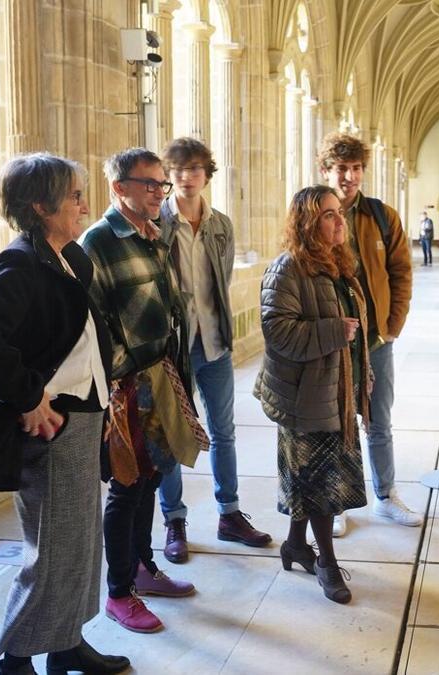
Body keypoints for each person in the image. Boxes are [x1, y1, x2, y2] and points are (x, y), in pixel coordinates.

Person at [0, 153, 129, 675]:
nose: (85, 205)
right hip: (53, 423)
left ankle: (66, 642)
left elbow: (72, 335)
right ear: (40, 205)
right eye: (74, 195)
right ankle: (16, 658)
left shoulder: (69, 254)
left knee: (78, 541)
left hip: (83, 414)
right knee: (51, 547)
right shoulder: (22, 259)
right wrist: (29, 397)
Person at [82, 148, 204, 634]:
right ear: (120, 188)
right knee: (126, 486)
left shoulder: (153, 236)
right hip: (126, 385)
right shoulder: (99, 241)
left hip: (160, 373)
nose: (159, 192)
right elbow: (94, 322)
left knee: (152, 476)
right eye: (149, 184)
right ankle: (117, 592)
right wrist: (121, 377)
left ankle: (142, 566)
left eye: (162, 185)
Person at [255, 185, 372, 604]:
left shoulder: (338, 265)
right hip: (304, 397)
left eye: (339, 212)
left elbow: (354, 332)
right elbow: (278, 331)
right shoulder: (288, 268)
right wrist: (332, 331)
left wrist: (362, 377)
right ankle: (325, 561)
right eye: (328, 214)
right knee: (322, 485)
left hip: (334, 392)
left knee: (311, 481)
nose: (339, 220)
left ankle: (295, 547)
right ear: (307, 222)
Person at [157, 137, 271, 560]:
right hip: (175, 350)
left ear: (208, 174)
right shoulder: (158, 224)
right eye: (179, 169)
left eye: (196, 169)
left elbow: (218, 287)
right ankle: (174, 521)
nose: (188, 177)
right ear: (169, 176)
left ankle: (230, 514)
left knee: (224, 433)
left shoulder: (221, 225)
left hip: (215, 344)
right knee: (172, 437)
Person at [317, 132, 418, 536]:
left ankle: (386, 494)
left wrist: (393, 326)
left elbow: (401, 272)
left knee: (379, 419)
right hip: (333, 338)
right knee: (333, 420)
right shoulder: (313, 213)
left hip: (375, 338)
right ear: (326, 170)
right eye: (342, 169)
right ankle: (335, 501)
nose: (350, 177)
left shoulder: (381, 216)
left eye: (357, 168)